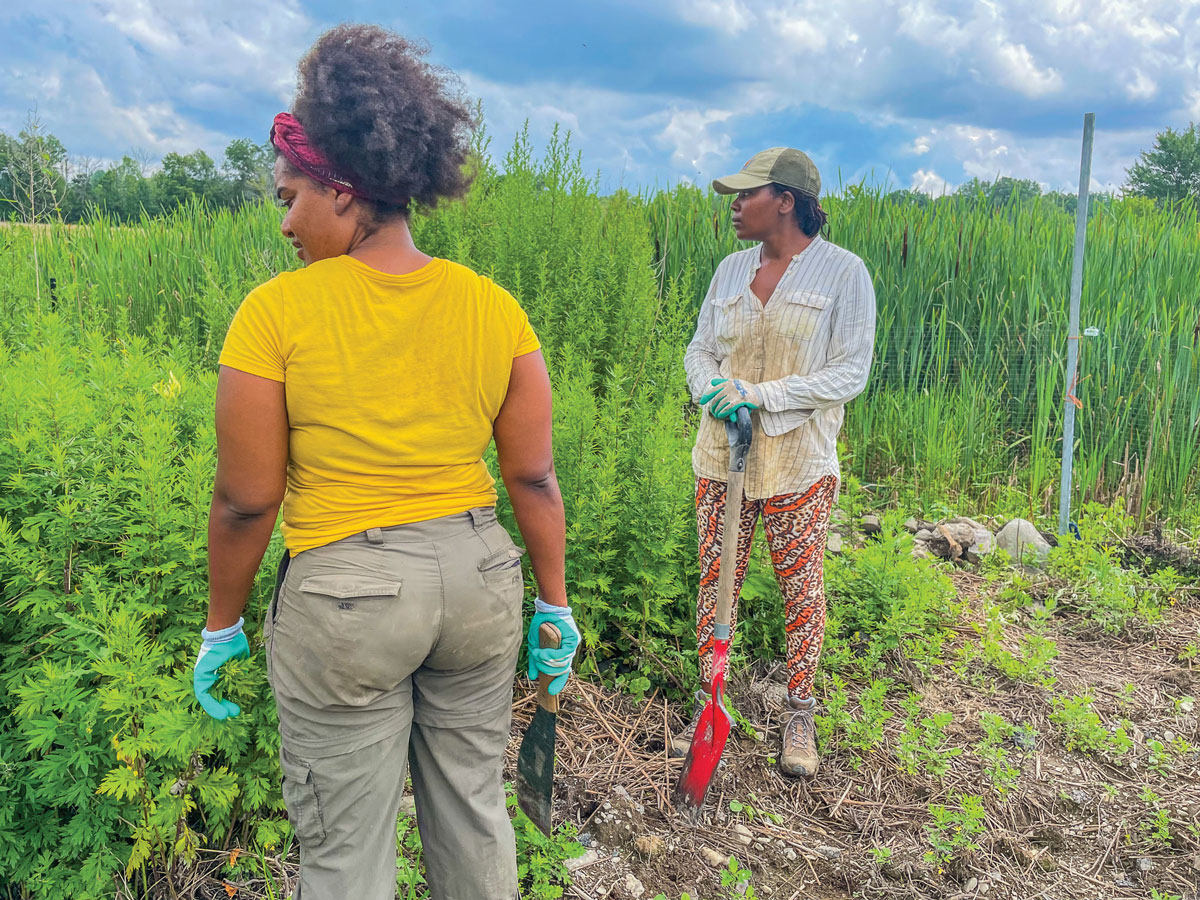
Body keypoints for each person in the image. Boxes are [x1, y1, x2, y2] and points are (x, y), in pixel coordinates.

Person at [190, 25, 579, 900]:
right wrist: (553, 605)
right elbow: (532, 478)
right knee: (474, 812)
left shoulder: (275, 312)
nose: (286, 222)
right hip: (480, 582)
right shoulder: (494, 308)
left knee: (344, 852)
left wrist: (223, 624)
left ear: (342, 188)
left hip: (348, 597)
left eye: (291, 197)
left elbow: (247, 502)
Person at [673, 147, 875, 777]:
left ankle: (799, 713)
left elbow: (849, 371)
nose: (734, 206)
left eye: (746, 194)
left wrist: (760, 396)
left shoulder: (844, 274)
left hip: (796, 460)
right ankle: (711, 706)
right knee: (716, 580)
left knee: (800, 585)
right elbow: (700, 349)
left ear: (785, 200)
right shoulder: (730, 271)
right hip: (721, 456)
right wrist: (712, 390)